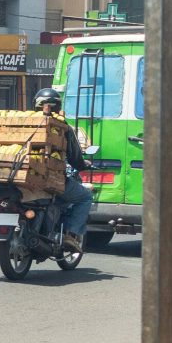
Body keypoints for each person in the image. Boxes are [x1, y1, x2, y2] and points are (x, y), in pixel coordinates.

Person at [37, 86, 96, 245]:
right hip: (49, 180)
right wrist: (83, 165)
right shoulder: (62, 127)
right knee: (85, 197)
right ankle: (71, 234)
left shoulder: (23, 122)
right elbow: (75, 157)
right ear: (58, 107)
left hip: (18, 179)